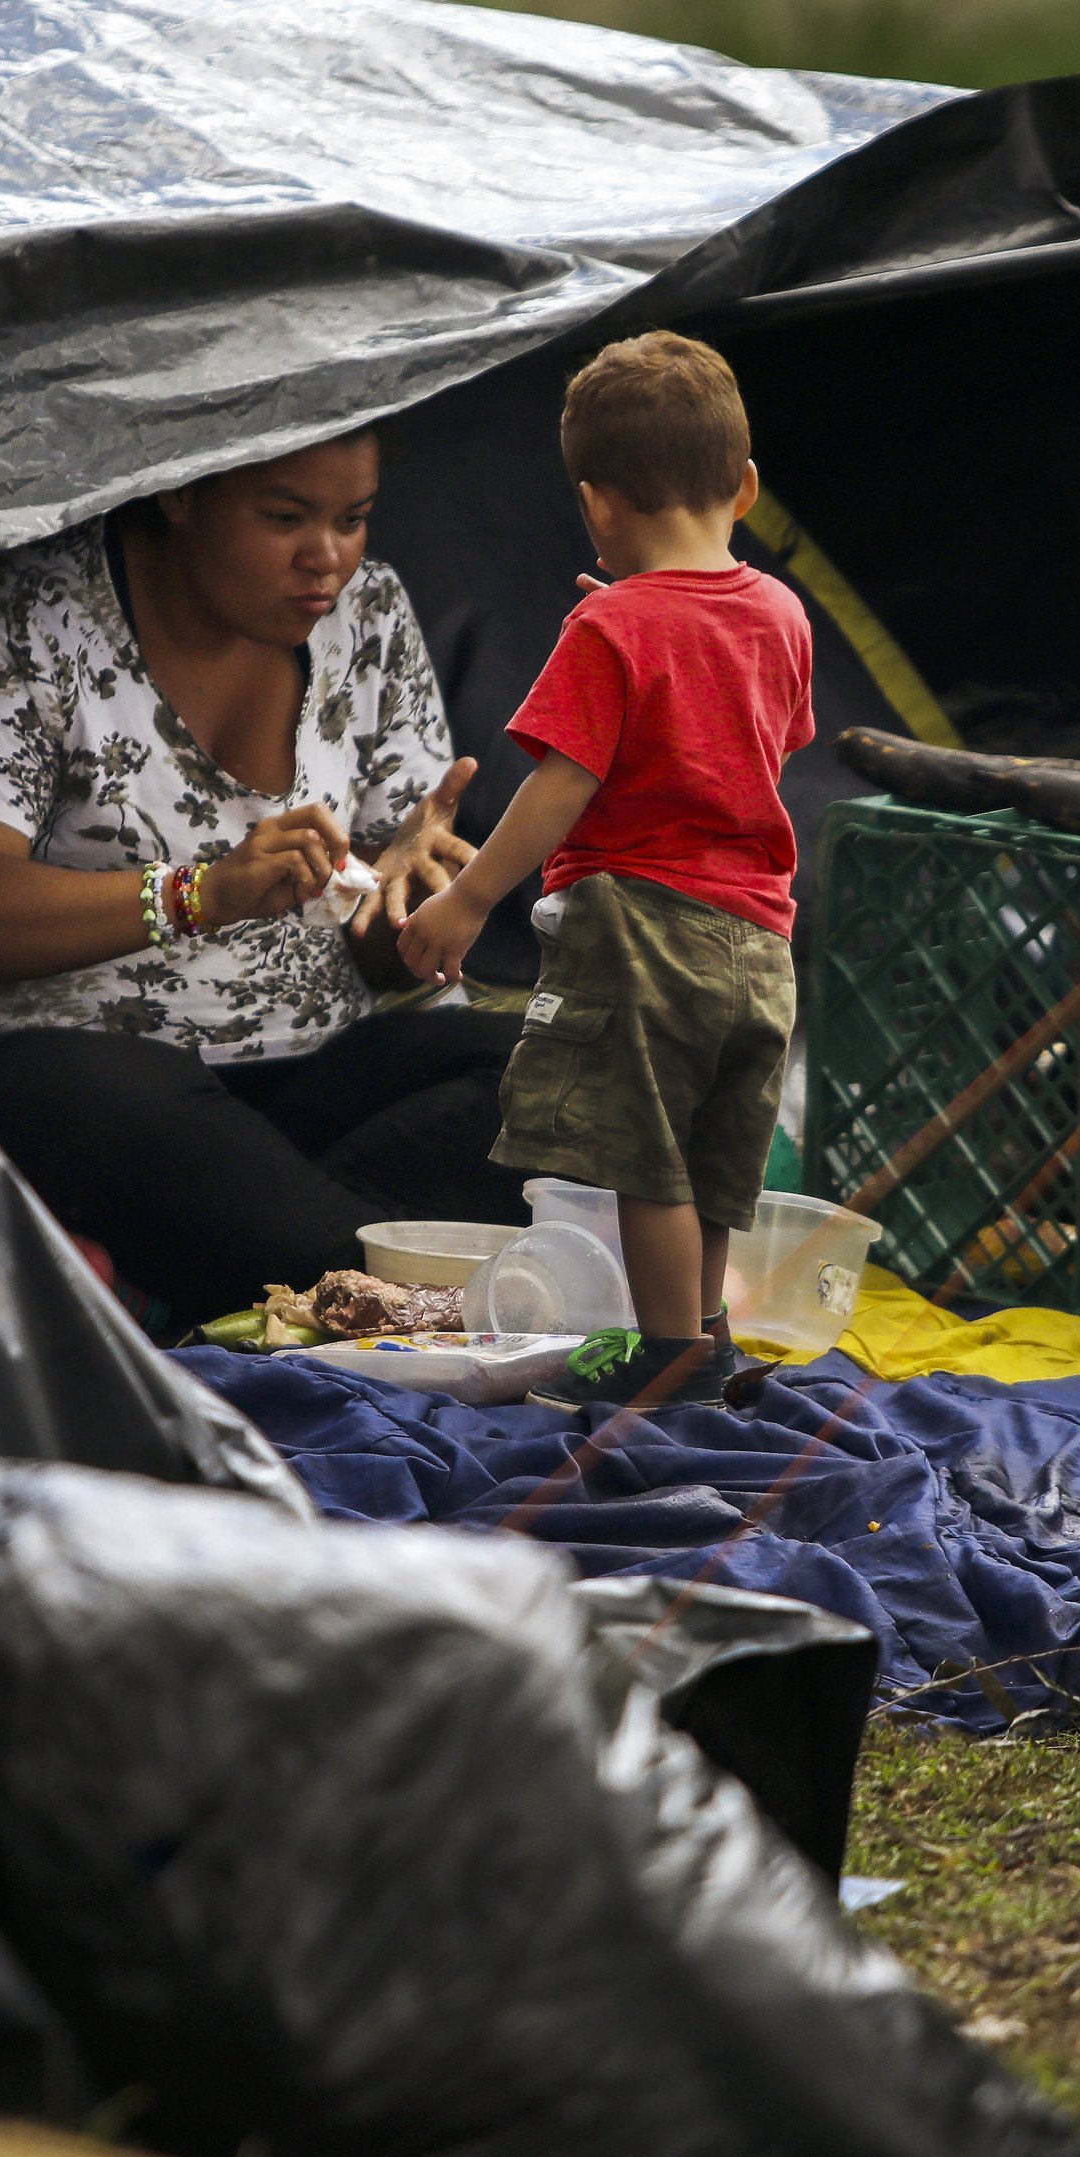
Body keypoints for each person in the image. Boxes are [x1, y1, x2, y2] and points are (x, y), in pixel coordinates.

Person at [0, 430, 520, 1326]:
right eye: (285, 517)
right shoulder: (26, 618)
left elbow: (377, 946)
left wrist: (418, 908)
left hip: (297, 1082)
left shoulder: (367, 615)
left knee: (558, 1076)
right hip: (84, 1078)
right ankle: (377, 1291)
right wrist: (197, 894)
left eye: (354, 518)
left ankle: (241, 1269)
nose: (326, 557)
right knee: (121, 1112)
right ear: (181, 490)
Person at [400, 333, 812, 1410]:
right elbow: (761, 738)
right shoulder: (780, 612)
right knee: (720, 1152)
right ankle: (710, 1334)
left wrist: (468, 896)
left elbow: (561, 783)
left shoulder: (608, 623)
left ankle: (666, 1352)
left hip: (645, 928)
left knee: (650, 1154)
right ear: (747, 487)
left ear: (596, 504)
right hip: (763, 939)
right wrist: (654, 629)